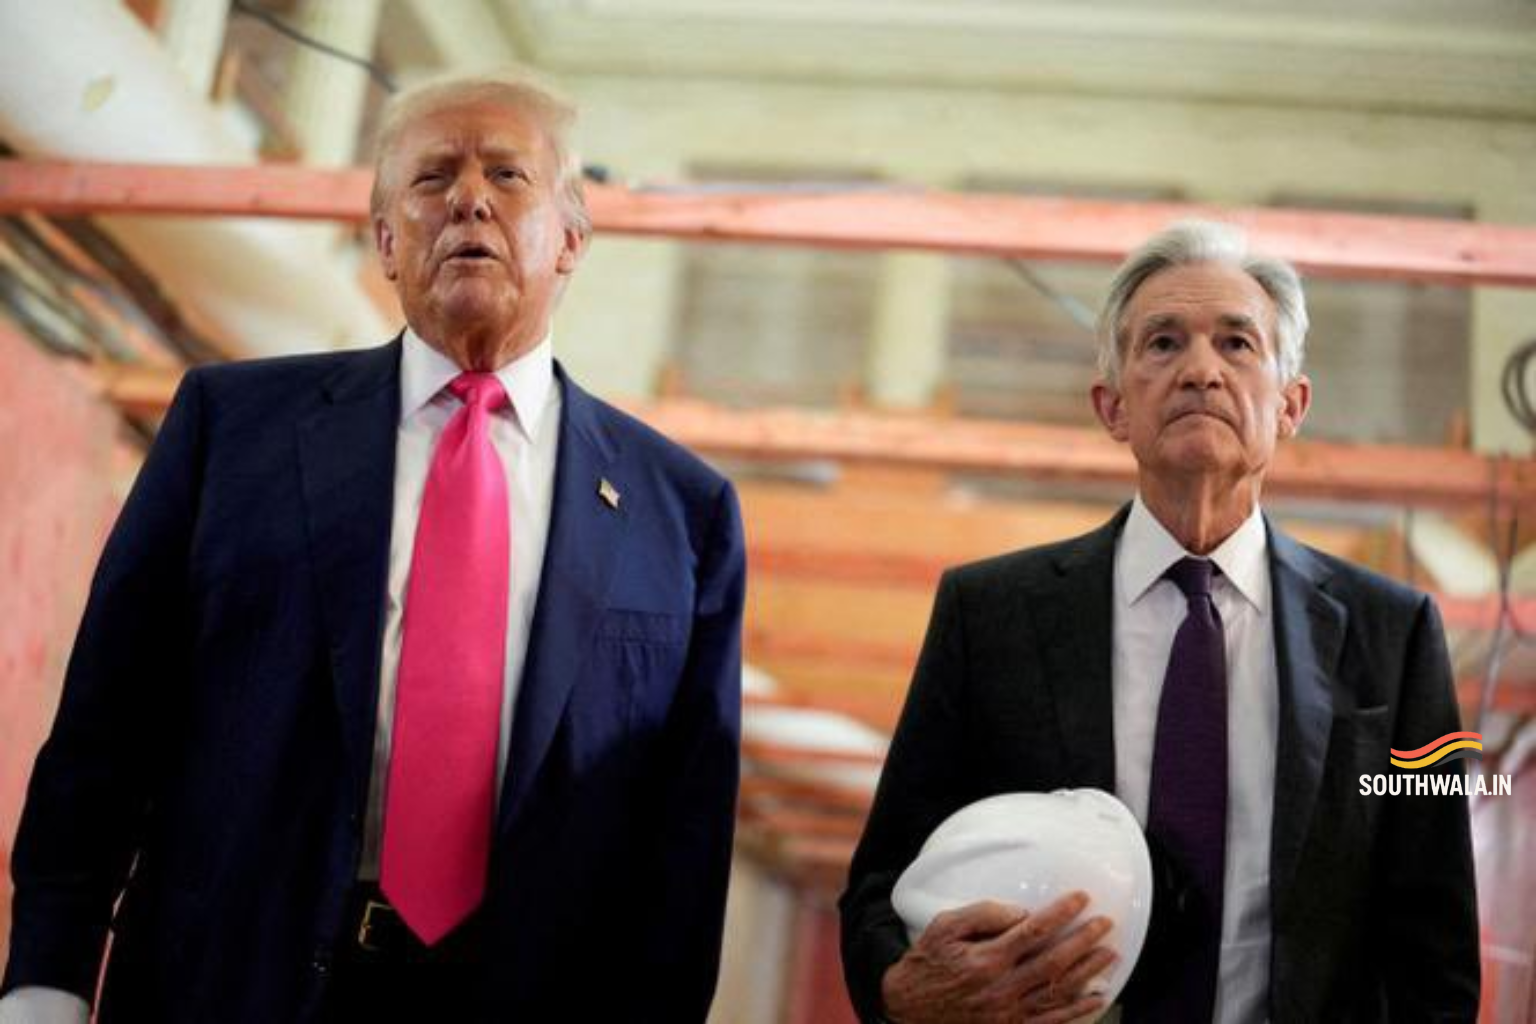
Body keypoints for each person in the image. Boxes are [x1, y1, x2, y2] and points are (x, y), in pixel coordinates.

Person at [0, 73, 745, 1024]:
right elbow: (109, 722)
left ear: (571, 239)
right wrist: (46, 982)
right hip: (229, 984)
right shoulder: (231, 431)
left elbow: (685, 841)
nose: (469, 199)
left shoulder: (683, 514)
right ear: (386, 241)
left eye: (507, 174)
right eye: (432, 177)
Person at [840, 221, 1479, 1023]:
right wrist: (899, 991)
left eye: (1237, 344)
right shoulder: (991, 615)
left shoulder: (1393, 637)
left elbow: (1434, 946)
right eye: (1164, 343)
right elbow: (881, 882)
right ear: (1113, 407)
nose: (1201, 371)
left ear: (1291, 405)